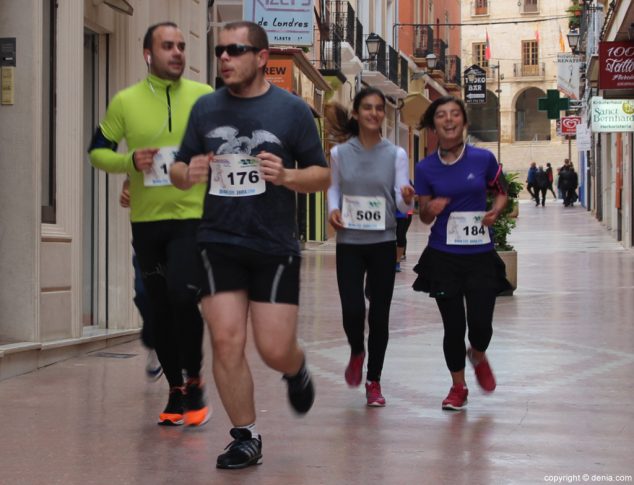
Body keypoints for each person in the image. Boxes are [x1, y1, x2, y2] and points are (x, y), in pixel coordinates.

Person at [170, 21, 330, 469]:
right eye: (220, 50)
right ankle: (245, 436)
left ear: (261, 58)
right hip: (218, 239)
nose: (224, 58)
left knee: (273, 348)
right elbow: (178, 170)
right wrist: (191, 170)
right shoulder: (204, 110)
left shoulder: (292, 111)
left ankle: (295, 369)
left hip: (274, 244)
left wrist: (287, 175)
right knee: (225, 341)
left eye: (235, 50)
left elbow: (322, 174)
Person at [89, 22, 213, 427]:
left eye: (181, 45)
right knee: (158, 307)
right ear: (148, 54)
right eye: (168, 46)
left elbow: (228, 146)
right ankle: (175, 389)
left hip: (191, 217)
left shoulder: (204, 98)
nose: (178, 52)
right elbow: (97, 152)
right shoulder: (125, 102)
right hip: (146, 221)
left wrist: (210, 163)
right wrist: (130, 162)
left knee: (182, 295)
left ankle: (194, 378)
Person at [412, 96, 511, 411]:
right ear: (433, 126)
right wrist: (431, 207)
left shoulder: (483, 160)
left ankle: (478, 354)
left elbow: (502, 192)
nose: (449, 120)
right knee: (453, 326)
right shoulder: (425, 168)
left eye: (455, 114)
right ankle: (458, 386)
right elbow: (424, 216)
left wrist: (495, 212)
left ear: (464, 123)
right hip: (444, 256)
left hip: (480, 255)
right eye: (441, 115)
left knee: (481, 324)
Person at [325, 88, 414, 407]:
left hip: (382, 242)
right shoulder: (339, 154)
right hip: (349, 242)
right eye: (368, 108)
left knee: (379, 315)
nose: (374, 113)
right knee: (352, 310)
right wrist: (332, 211)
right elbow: (333, 189)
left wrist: (406, 195)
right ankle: (356, 351)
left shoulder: (396, 155)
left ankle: (374, 381)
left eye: (379, 108)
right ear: (357, 113)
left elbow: (402, 202)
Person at [119, 179, 162, 381]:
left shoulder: (190, 149)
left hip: (182, 233)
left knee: (180, 296)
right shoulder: (143, 150)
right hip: (146, 237)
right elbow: (130, 180)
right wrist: (126, 191)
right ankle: (155, 342)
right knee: (144, 294)